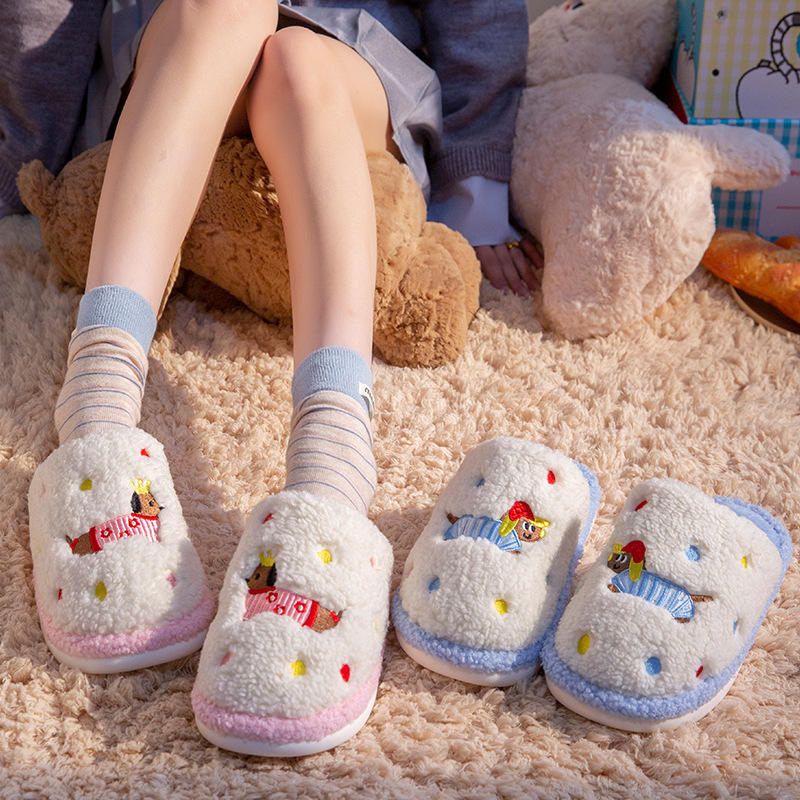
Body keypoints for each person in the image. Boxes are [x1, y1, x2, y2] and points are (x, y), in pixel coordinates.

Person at [30, 0, 537, 754]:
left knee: (300, 63)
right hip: (176, 58)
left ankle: (334, 454)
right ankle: (98, 392)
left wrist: (479, 189)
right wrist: (20, 151)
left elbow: (477, 12)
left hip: (347, 65)